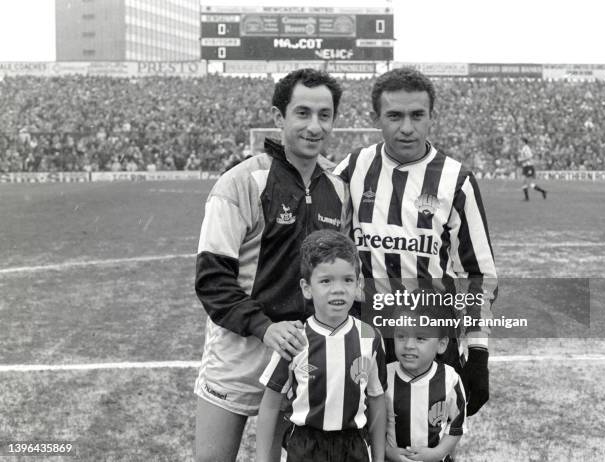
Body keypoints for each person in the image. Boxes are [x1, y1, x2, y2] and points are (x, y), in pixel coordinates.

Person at [193, 68, 351, 462]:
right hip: (239, 352)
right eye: (302, 113)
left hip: (301, 356)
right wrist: (264, 328)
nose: (314, 126)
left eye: (324, 115)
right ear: (279, 117)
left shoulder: (339, 189)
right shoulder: (240, 183)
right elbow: (212, 280)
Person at [334, 67, 497, 417]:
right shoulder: (350, 169)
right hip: (363, 336)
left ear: (430, 117)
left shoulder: (456, 180)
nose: (406, 127)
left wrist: (478, 350)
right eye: (394, 115)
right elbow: (326, 252)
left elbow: (478, 274)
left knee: (425, 444)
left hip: (430, 338)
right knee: (360, 442)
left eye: (417, 115)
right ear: (376, 117)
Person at [257, 230, 387, 462]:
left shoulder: (370, 337)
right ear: (307, 288)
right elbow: (270, 404)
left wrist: (378, 458)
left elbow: (377, 400)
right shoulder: (295, 338)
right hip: (305, 446)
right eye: (326, 281)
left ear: (358, 284)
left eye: (347, 280)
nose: (338, 289)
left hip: (353, 446)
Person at [385, 303, 466, 462]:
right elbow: (372, 423)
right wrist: (387, 451)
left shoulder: (450, 379)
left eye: (420, 338)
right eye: (401, 336)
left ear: (441, 344)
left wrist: (437, 453)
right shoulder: (383, 376)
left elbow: (457, 425)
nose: (408, 345)